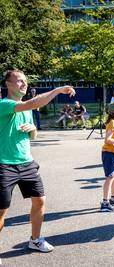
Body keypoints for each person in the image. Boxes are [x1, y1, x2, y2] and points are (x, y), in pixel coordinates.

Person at [0, 69, 75, 256]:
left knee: (40, 201)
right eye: (18, 81)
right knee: (2, 211)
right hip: (4, 164)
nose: (23, 84)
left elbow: (32, 135)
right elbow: (32, 103)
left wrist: (33, 128)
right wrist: (57, 90)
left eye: (25, 81)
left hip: (26, 163)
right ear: (7, 84)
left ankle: (35, 240)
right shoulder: (5, 104)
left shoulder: (25, 109)